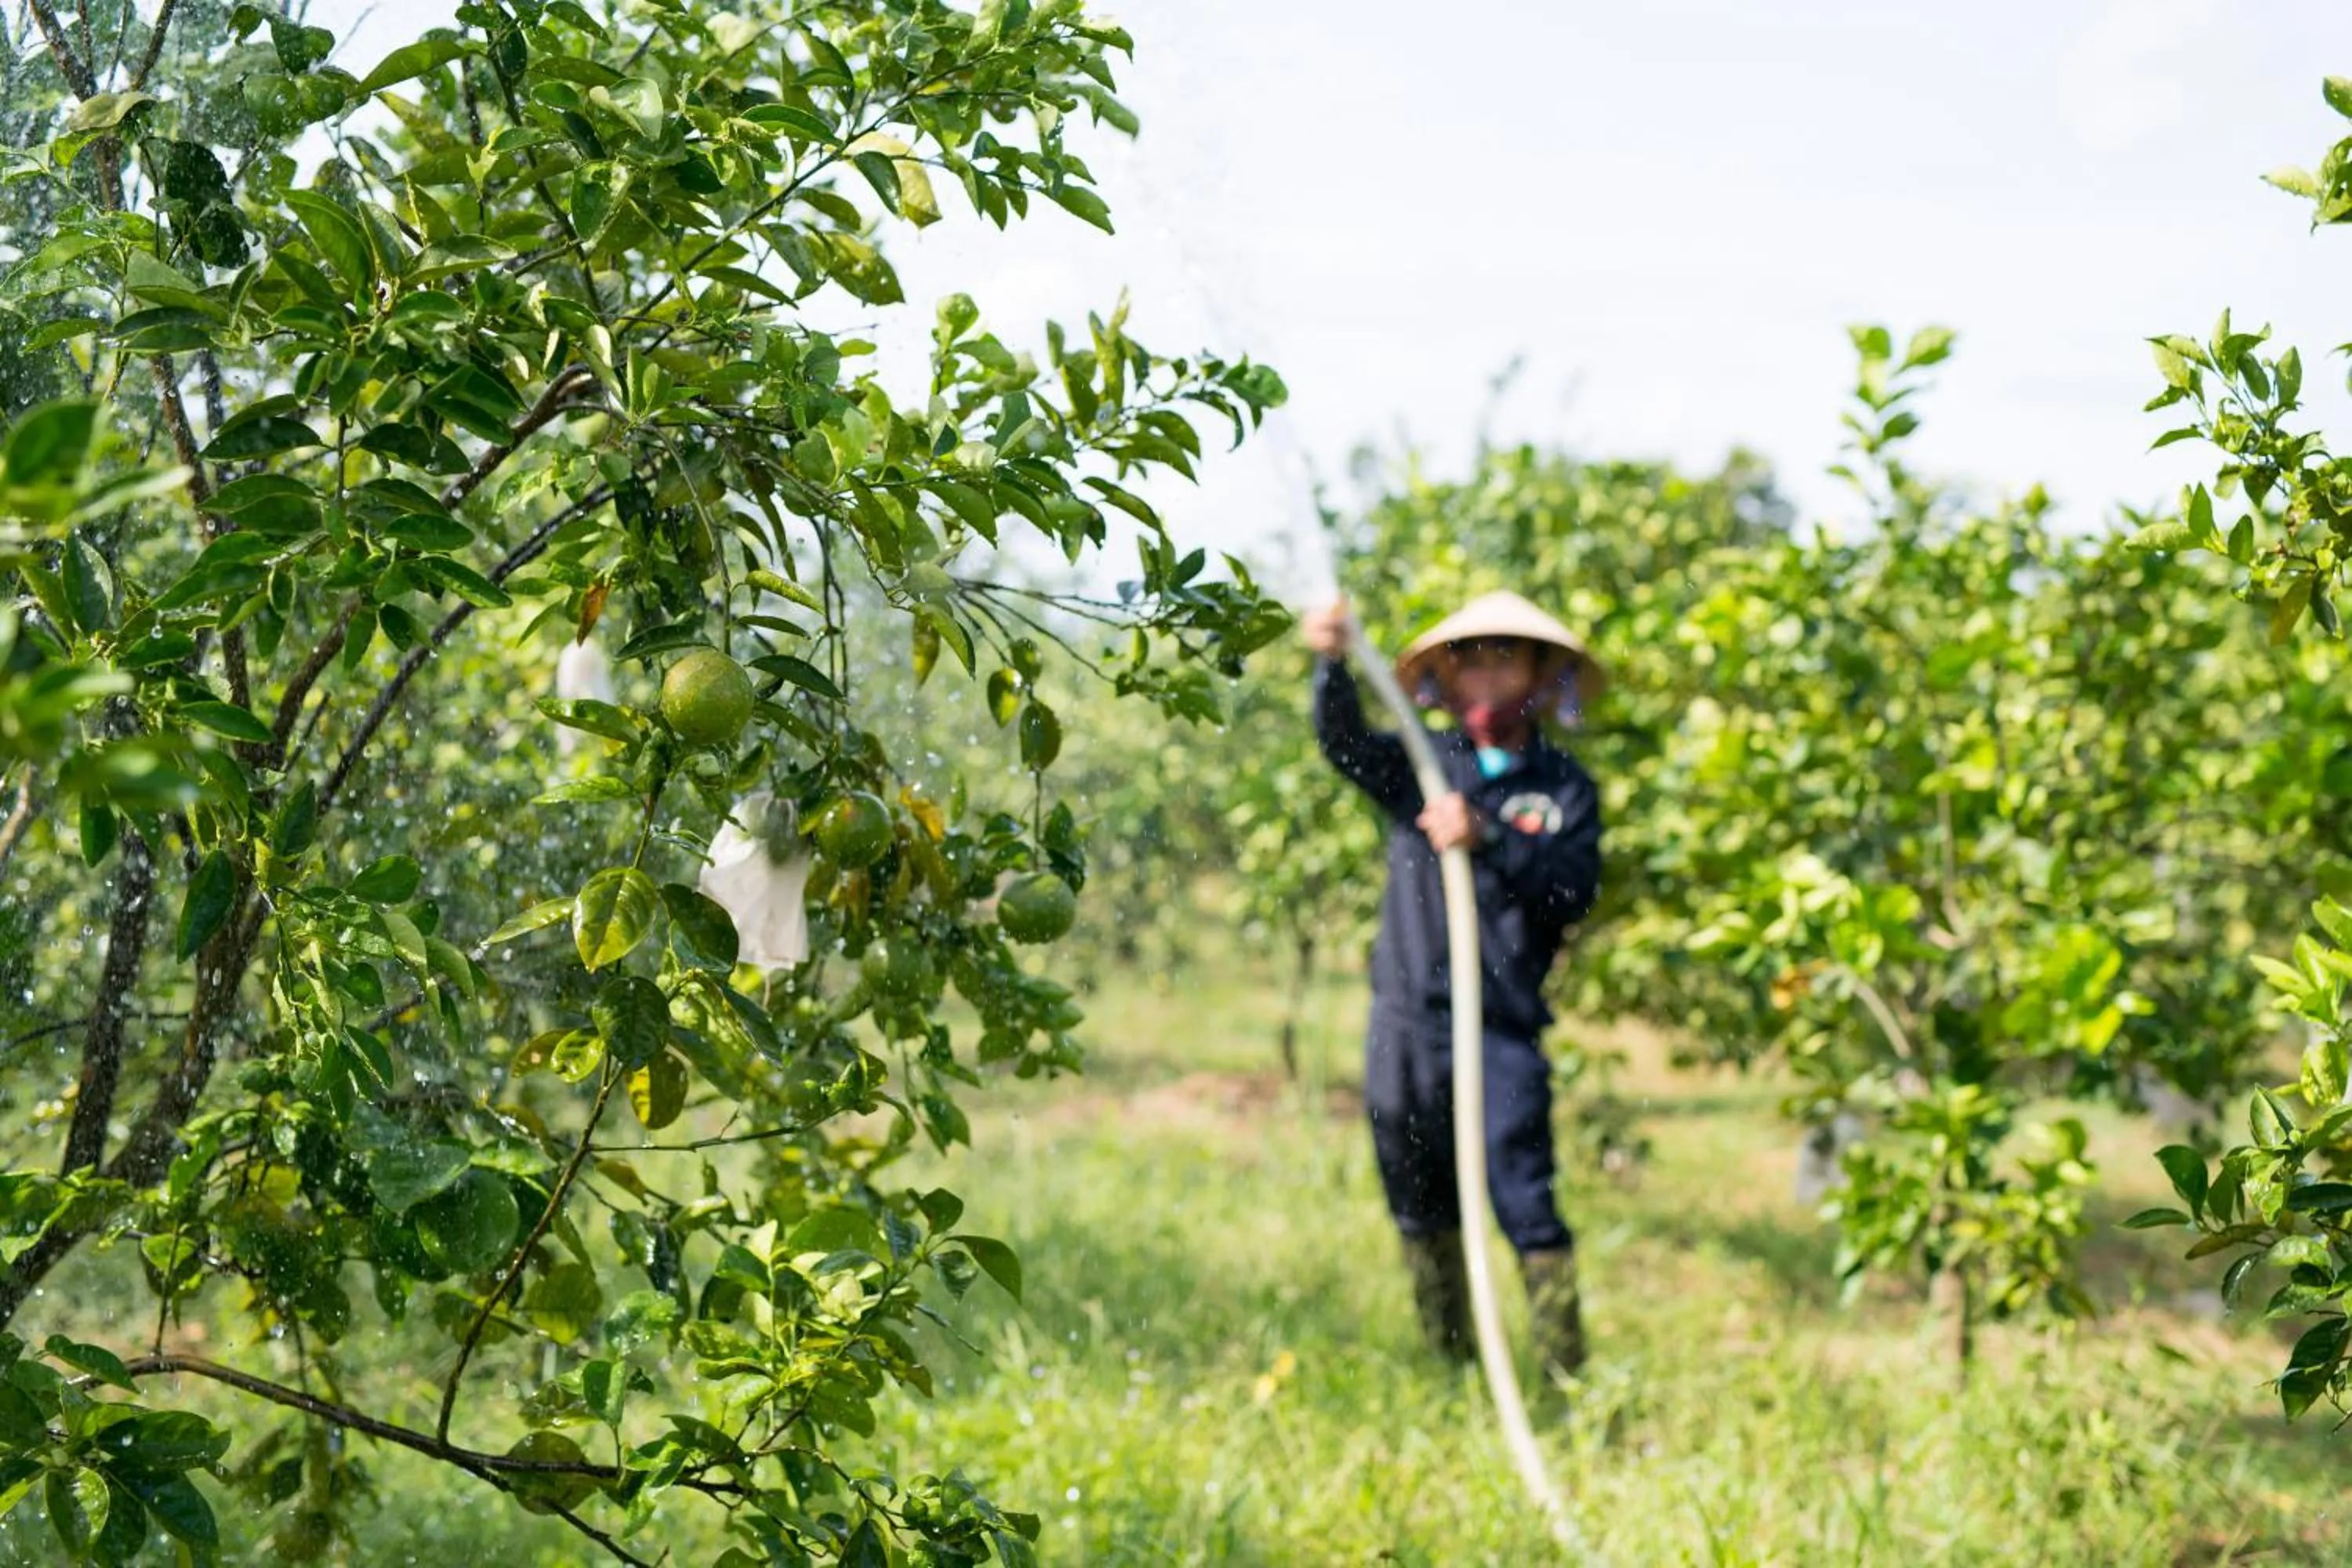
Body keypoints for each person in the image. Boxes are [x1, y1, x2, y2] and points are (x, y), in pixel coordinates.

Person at [1303, 590, 1604, 1381]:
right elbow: (1341, 743)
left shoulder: (1564, 785)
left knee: (1526, 1200)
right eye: (1471, 653)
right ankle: (1456, 1370)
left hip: (1500, 1030)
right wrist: (1331, 663)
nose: (1486, 668)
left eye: (1506, 652)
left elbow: (1573, 891)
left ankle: (1566, 1381)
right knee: (1419, 1199)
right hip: (1408, 1023)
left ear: (1541, 670)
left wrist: (1492, 833)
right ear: (1448, 670)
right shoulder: (1422, 761)